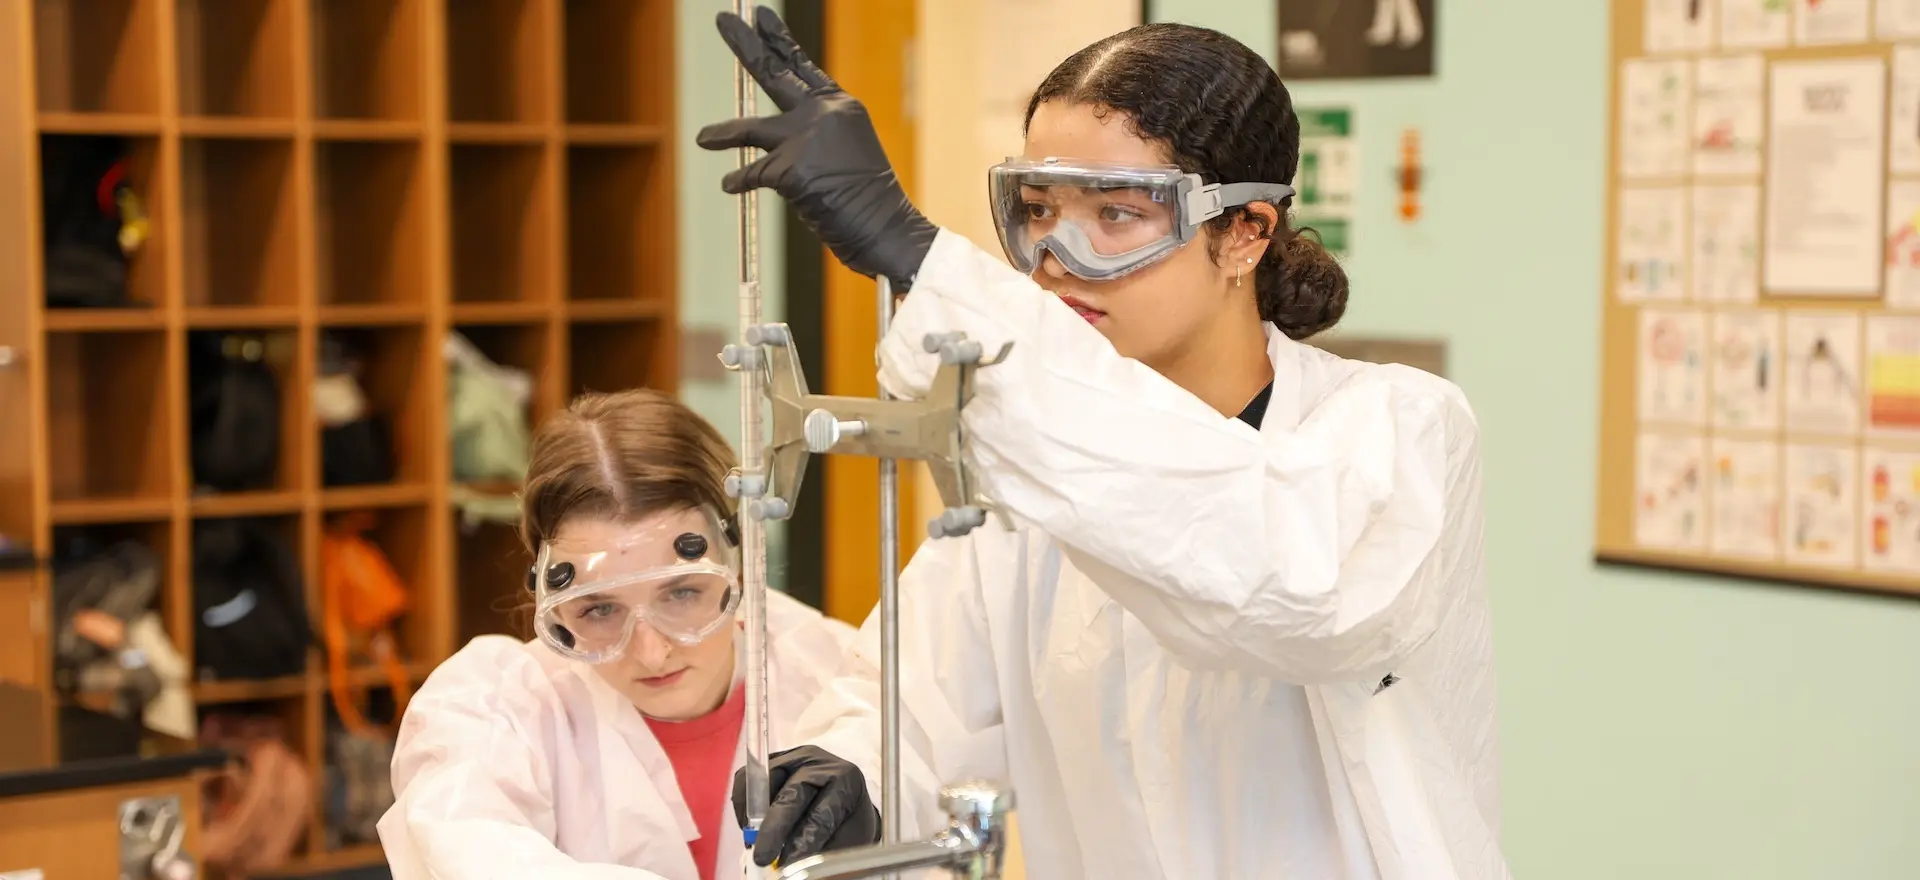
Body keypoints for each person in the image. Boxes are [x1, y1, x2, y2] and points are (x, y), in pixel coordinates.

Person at [697, 10, 1507, 879]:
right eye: (1038, 210)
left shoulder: (1394, 427)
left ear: (1245, 233)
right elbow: (911, 697)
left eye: (1116, 214)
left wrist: (922, 261)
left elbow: (1292, 587)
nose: (1058, 257)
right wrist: (849, 767)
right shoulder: (1031, 479)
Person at [375, 389, 865, 880]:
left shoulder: (842, 673)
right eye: (600, 609)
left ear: (738, 567)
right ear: (552, 601)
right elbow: (464, 849)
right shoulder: (490, 709)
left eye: (681, 594)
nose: (651, 654)